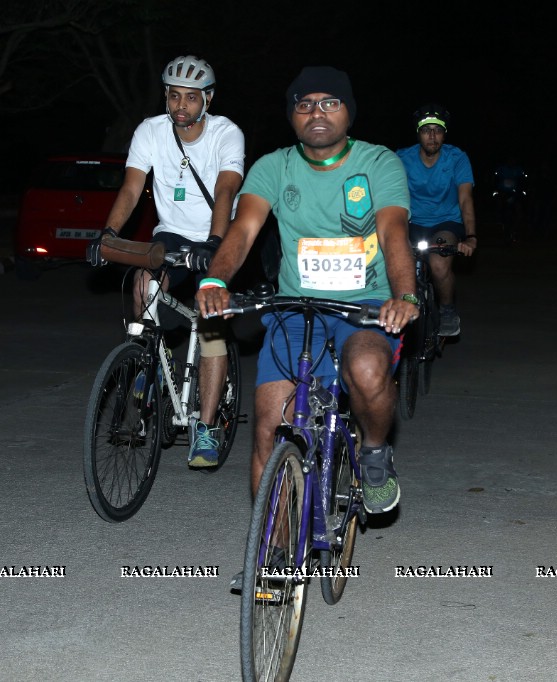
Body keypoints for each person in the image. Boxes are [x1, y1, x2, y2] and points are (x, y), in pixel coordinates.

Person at [195, 66, 417, 514]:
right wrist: (216, 279)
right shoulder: (273, 167)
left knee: (368, 371)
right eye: (304, 104)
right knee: (268, 427)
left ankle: (374, 450)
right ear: (293, 116)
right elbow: (244, 229)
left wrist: (405, 295)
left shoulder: (378, 163)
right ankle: (273, 555)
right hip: (295, 308)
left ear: (348, 113)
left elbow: (393, 231)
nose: (317, 112)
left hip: (366, 304)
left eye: (330, 103)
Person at [89, 54, 245, 468]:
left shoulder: (226, 134)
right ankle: (146, 369)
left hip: (217, 236)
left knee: (210, 321)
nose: (181, 106)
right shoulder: (151, 131)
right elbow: (131, 187)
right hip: (171, 235)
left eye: (191, 98)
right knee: (143, 283)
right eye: (174, 96)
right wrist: (107, 234)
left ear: (207, 100)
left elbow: (227, 190)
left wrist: (214, 243)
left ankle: (207, 427)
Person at [395, 104, 477, 336]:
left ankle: (447, 310)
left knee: (439, 264)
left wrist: (470, 237)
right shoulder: (401, 157)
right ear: (418, 134)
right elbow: (388, 196)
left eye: (437, 130)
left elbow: (465, 200)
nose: (432, 136)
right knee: (397, 263)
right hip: (412, 222)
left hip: (446, 222)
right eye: (426, 130)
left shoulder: (457, 158)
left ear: (444, 134)